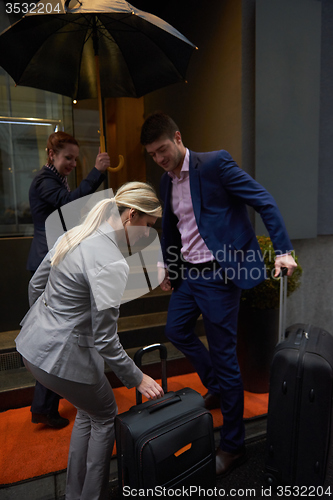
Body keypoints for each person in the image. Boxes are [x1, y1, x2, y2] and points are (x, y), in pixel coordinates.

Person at [140, 112, 297, 477]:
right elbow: (172, 227)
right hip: (190, 276)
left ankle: (234, 446)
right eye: (153, 155)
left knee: (226, 357)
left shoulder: (215, 164)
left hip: (220, 276)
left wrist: (283, 250)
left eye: (163, 149)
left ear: (178, 138)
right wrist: (170, 268)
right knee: (176, 330)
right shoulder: (165, 181)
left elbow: (264, 201)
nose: (160, 159)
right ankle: (217, 386)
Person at [16, 181, 164, 500]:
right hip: (62, 359)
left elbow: (34, 285)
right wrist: (138, 378)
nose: (149, 235)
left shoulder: (75, 234)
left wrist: (47, 325)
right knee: (105, 415)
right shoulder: (112, 261)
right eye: (149, 227)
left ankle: (74, 495)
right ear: (131, 216)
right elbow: (106, 340)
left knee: (89, 411)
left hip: (32, 347)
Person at [27, 131, 110, 428]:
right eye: (67, 158)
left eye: (75, 159)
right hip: (46, 263)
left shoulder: (54, 179)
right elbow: (68, 203)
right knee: (53, 340)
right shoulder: (45, 181)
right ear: (52, 155)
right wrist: (97, 172)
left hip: (53, 260)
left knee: (54, 339)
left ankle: (45, 405)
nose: (72, 163)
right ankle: (44, 407)